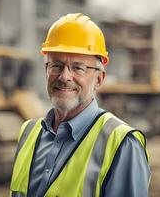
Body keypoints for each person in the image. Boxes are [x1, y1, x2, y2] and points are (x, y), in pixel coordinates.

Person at [10, 13, 151, 197]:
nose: (64, 77)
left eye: (78, 68)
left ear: (99, 79)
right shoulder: (28, 132)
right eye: (56, 65)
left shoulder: (122, 144)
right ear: (46, 71)